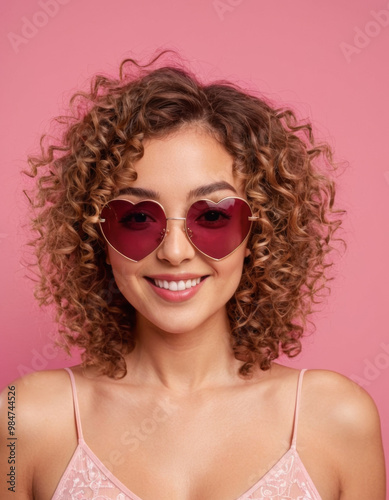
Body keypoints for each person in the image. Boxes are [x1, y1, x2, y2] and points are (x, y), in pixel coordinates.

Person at [0, 52, 386, 500]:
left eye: (214, 216)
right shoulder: (17, 417)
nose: (176, 252)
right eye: (139, 218)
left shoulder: (338, 418)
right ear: (95, 234)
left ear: (260, 231)